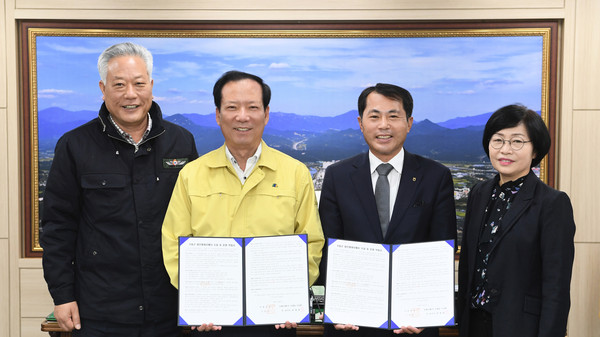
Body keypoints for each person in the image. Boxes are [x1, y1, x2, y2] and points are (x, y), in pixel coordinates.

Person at [40, 42, 198, 336]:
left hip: (171, 308)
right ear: (103, 88)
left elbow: (200, 218)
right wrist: (62, 295)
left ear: (151, 85)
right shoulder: (74, 145)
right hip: (100, 310)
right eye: (119, 84)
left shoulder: (181, 142)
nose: (130, 94)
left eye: (139, 84)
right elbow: (58, 226)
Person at [161, 70, 325, 337]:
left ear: (266, 114)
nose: (242, 116)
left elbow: (312, 244)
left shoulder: (295, 173)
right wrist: (196, 298)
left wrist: (291, 295)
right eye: (232, 108)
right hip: (212, 320)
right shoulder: (191, 174)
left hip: (275, 321)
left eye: (252, 107)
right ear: (218, 115)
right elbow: (173, 242)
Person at [318, 83, 457, 336]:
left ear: (409, 123)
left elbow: (441, 250)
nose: (384, 125)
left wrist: (430, 311)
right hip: (350, 323)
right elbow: (327, 249)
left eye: (393, 116)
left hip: (414, 324)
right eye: (374, 116)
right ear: (361, 123)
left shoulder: (435, 176)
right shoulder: (337, 176)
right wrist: (328, 310)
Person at [458, 104, 575, 337]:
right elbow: (469, 263)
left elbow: (556, 288)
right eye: (498, 140)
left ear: (535, 150)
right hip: (474, 324)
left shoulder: (552, 203)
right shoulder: (478, 194)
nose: (505, 149)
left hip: (520, 326)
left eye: (517, 141)